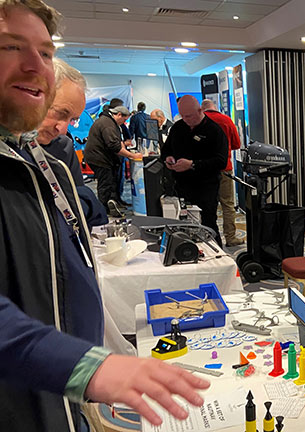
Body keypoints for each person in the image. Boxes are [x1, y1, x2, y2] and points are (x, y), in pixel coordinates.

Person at [0, 1, 210, 431]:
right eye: (10, 46)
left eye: (45, 52)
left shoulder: (41, 163)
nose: (34, 65)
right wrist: (86, 366)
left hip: (56, 399)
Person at [161, 95, 228, 246]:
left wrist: (192, 164)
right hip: (181, 185)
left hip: (206, 186)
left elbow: (221, 161)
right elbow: (165, 151)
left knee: (208, 224)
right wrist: (168, 159)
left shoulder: (214, 130)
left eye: (189, 116)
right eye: (183, 116)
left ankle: (217, 255)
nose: (185, 119)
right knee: (183, 223)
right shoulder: (178, 128)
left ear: (200, 110)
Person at [84, 104, 142, 217]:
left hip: (99, 157)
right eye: (124, 120)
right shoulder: (108, 124)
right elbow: (114, 146)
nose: (124, 123)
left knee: (109, 183)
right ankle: (102, 211)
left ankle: (110, 205)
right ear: (119, 115)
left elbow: (118, 141)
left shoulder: (109, 122)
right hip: (99, 158)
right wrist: (132, 155)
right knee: (105, 184)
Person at [36, 57, 86, 186]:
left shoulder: (63, 148)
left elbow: (77, 199)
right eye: (60, 113)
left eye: (72, 120)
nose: (63, 130)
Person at [202, 98, 243, 246]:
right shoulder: (226, 120)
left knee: (206, 204)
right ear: (216, 107)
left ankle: (208, 237)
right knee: (228, 204)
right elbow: (237, 144)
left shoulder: (199, 122)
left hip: (204, 170)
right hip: (225, 168)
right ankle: (230, 237)